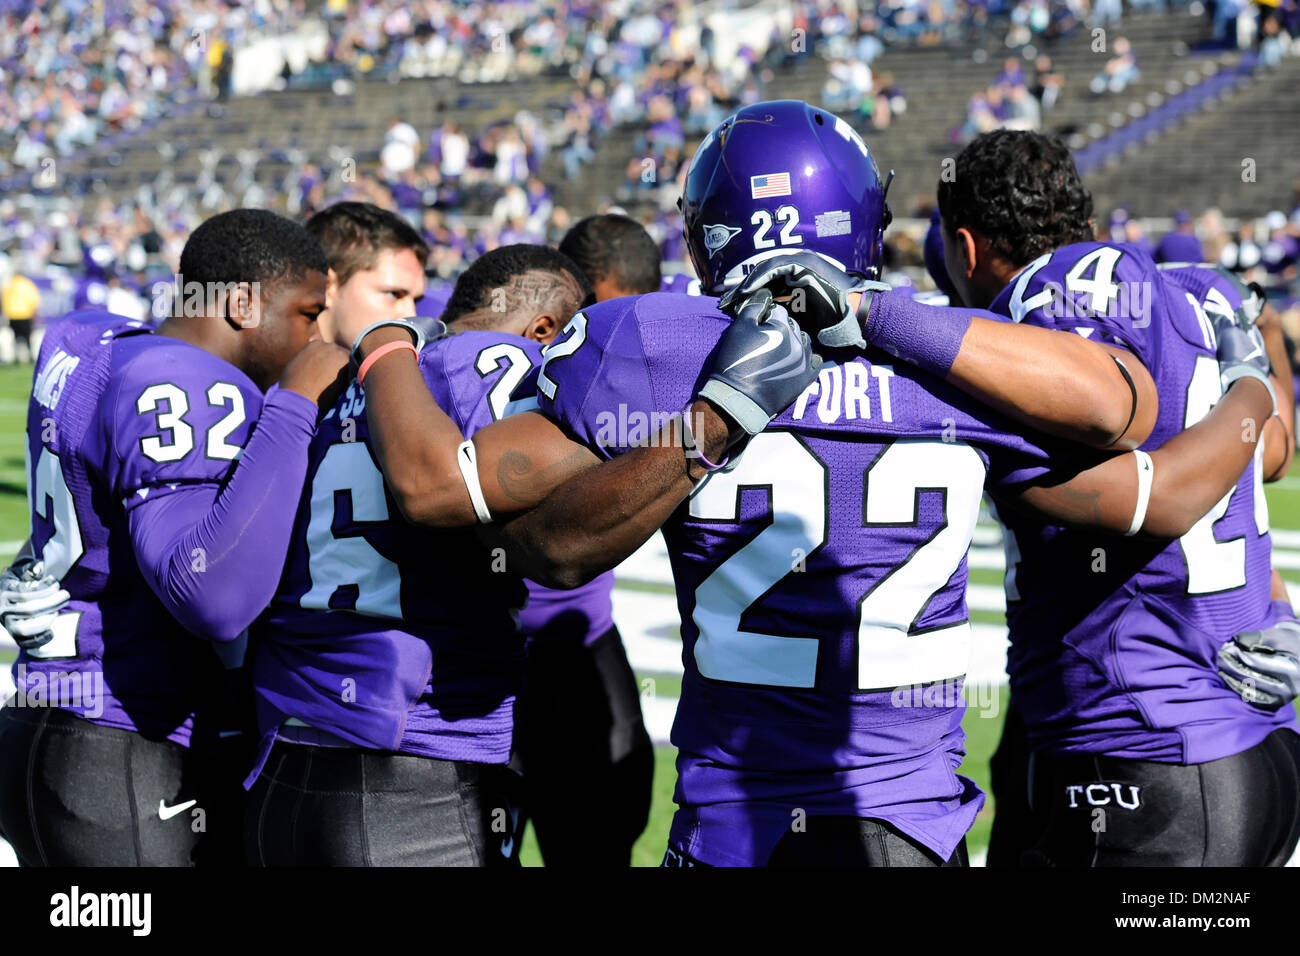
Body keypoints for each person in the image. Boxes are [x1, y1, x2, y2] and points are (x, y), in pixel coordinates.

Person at [347, 101, 1277, 866]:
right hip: (914, 825)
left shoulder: (653, 342)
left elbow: (539, 543)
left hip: (735, 826)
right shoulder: (963, 360)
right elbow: (1120, 404)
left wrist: (708, 422)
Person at [737, 129, 1300, 865]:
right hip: (1254, 744)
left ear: (965, 247)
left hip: (1146, 756)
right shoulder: (1194, 289)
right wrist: (1272, 597)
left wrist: (885, 317)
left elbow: (1160, 494)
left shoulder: (1049, 300)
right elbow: (1271, 453)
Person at [0, 209, 346, 866]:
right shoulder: (184, 380)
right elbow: (210, 595)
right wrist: (295, 405)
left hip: (49, 721)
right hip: (127, 749)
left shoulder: (90, 339)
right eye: (307, 312)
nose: (316, 335)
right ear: (244, 303)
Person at [243, 244, 602, 867]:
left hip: (283, 761)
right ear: (544, 328)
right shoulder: (500, 360)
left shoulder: (345, 380)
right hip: (416, 771)